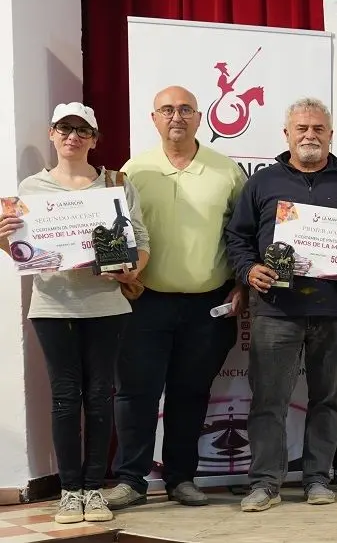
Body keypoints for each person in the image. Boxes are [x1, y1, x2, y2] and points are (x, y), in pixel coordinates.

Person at [224, 97, 337, 512]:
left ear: (330, 134)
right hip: (276, 310)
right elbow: (237, 238)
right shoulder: (261, 183)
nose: (310, 135)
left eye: (318, 129)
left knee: (328, 398)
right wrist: (248, 269)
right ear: (287, 134)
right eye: (302, 129)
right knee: (268, 401)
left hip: (334, 310)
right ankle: (264, 483)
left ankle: (317, 479)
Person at [0, 104, 148, 524]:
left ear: (95, 139)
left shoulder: (116, 184)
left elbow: (139, 237)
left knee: (100, 396)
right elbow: (24, 254)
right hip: (52, 305)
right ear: (52, 134)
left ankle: (94, 490)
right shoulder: (31, 188)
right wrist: (4, 240)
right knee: (65, 397)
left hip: (106, 303)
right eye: (65, 128)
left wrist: (131, 268)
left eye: (83, 130)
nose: (73, 136)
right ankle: (69, 490)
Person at [107, 86, 247, 509]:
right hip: (144, 300)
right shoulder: (134, 169)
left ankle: (182, 479)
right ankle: (131, 480)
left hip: (209, 304)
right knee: (136, 393)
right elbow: (119, 230)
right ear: (153, 119)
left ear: (200, 117)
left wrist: (241, 283)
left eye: (185, 109)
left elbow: (243, 235)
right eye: (167, 110)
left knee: (191, 394)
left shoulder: (227, 171)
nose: (176, 117)